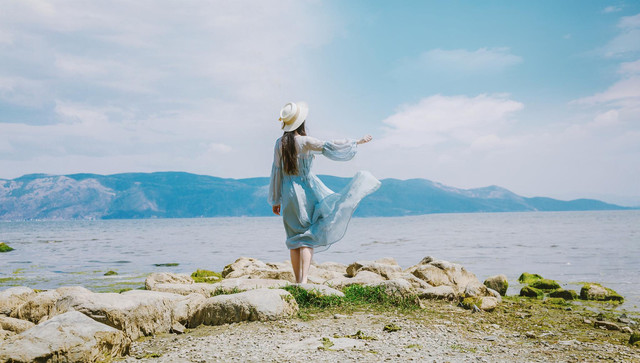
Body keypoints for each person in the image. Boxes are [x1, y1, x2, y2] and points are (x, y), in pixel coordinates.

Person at [268, 101, 381, 284]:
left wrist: (275, 199)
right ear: (301, 122)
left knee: (293, 238)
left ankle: (297, 281)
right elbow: (331, 146)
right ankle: (304, 280)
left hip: (288, 192)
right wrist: (357, 142)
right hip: (307, 190)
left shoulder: (278, 143)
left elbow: (276, 172)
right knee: (307, 237)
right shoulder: (305, 141)